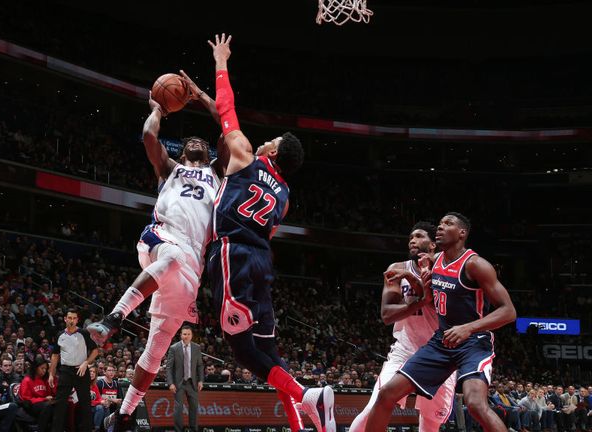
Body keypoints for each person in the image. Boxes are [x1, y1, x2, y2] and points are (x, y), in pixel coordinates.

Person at [203, 33, 329, 432]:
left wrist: (221, 62)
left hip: (232, 254)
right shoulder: (286, 196)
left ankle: (307, 396)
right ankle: (300, 423)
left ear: (272, 152)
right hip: (261, 262)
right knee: (269, 350)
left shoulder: (242, 154)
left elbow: (227, 108)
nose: (264, 140)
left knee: (241, 349)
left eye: (270, 140)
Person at [88, 69, 224, 432]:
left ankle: (125, 415)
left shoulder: (219, 173)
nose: (196, 141)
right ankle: (113, 318)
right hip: (161, 240)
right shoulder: (169, 168)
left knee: (158, 347)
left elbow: (229, 128)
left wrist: (203, 98)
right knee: (171, 258)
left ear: (208, 152)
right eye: (191, 139)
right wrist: (158, 109)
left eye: (201, 141)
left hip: (191, 266)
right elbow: (149, 135)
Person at [365, 212, 517, 432]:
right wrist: (410, 277)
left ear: (462, 233)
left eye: (448, 224)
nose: (440, 227)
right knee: (386, 394)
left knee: (475, 405)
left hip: (473, 342)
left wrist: (468, 328)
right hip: (441, 342)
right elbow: (428, 298)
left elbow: (509, 311)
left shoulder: (475, 265)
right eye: (439, 224)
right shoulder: (434, 262)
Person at [350, 222, 457, 432]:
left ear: (433, 244)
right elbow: (387, 315)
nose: (412, 241)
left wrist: (418, 286)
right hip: (404, 350)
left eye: (418, 236)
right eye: (410, 237)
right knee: (373, 408)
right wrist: (419, 301)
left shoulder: (447, 270)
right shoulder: (397, 269)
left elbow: (442, 308)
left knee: (430, 423)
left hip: (440, 352)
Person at [48, 308, 99, 432]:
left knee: (85, 404)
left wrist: (86, 363)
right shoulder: (60, 335)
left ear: (77, 320)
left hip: (80, 370)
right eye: (69, 318)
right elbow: (55, 355)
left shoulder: (84, 333)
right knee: (60, 404)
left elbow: (95, 351)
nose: (71, 320)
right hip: (65, 371)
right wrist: (51, 373)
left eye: (74, 318)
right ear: (65, 319)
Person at [165, 326, 204, 432]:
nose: (186, 336)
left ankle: (193, 429)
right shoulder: (174, 348)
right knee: (178, 409)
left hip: (193, 383)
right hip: (179, 383)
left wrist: (201, 380)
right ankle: (179, 430)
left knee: (194, 408)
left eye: (188, 334)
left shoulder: (196, 348)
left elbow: (200, 365)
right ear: (181, 335)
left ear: (192, 336)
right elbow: (169, 367)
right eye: (184, 334)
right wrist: (170, 383)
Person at [18, 356, 56, 432]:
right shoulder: (27, 380)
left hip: (44, 403)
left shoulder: (46, 379)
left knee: (58, 406)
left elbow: (52, 393)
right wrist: (44, 399)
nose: (44, 371)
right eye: (42, 368)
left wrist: (52, 378)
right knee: (48, 406)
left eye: (46, 369)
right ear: (36, 368)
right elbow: (26, 399)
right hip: (30, 405)